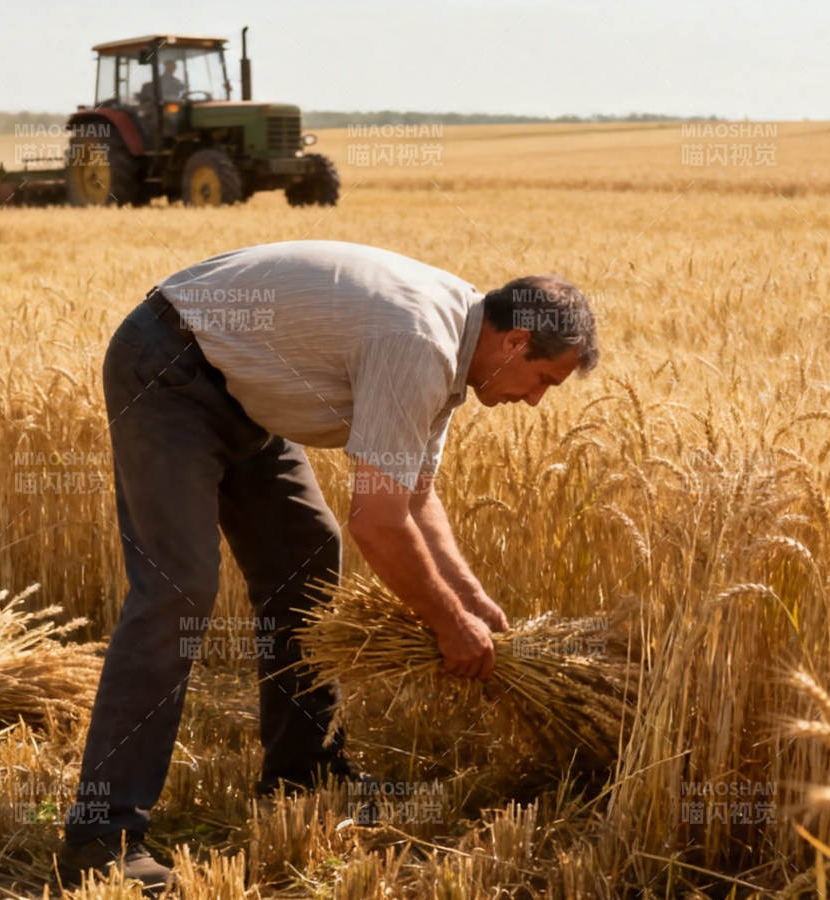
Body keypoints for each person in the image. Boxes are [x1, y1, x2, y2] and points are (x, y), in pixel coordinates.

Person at [55, 240, 600, 893]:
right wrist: (449, 626)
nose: (537, 400)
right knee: (178, 591)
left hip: (242, 390)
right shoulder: (421, 341)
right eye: (544, 380)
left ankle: (302, 772)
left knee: (307, 552)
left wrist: (474, 602)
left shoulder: (458, 347)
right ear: (514, 343)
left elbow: (413, 494)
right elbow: (379, 523)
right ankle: (100, 836)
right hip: (171, 368)